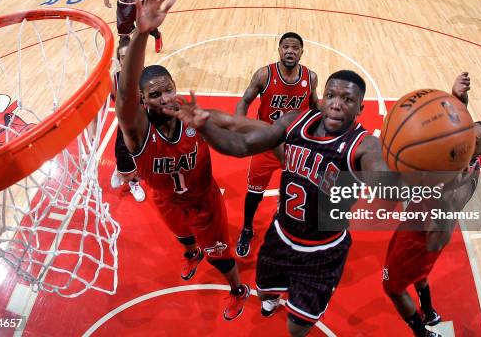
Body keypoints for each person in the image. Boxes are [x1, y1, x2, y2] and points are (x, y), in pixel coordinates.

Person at [169, 68, 407, 337]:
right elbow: (241, 145)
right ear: (321, 99)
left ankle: (310, 301)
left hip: (322, 250)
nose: (336, 104)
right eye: (331, 95)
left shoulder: (364, 146)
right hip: (280, 235)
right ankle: (271, 300)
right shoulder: (295, 122)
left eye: (347, 100)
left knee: (296, 329)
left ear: (361, 108)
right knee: (265, 290)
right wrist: (205, 127)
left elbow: (388, 187)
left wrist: (406, 168)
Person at [115, 0, 249, 321]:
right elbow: (126, 91)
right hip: (166, 200)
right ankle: (191, 253)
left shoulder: (193, 115)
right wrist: (142, 33)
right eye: (155, 95)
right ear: (143, 101)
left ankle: (237, 288)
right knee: (184, 238)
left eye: (168, 90)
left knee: (220, 255)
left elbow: (235, 132)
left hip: (203, 200)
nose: (165, 99)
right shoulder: (136, 129)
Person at [382, 73, 481, 337]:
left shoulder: (466, 178)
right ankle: (430, 311)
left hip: (422, 238)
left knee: (392, 288)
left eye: (473, 140)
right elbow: (455, 132)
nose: (465, 139)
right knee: (419, 276)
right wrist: (458, 100)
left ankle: (422, 334)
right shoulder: (460, 152)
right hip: (417, 225)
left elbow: (448, 192)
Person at [233, 32, 319, 257]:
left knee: (301, 191)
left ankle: (297, 231)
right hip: (267, 144)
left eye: (295, 48)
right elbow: (244, 101)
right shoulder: (264, 74)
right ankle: (247, 228)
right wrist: (239, 124)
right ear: (279, 50)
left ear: (302, 52)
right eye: (286, 47)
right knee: (254, 193)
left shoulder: (310, 78)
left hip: (295, 146)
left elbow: (315, 106)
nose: (290, 51)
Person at [109, 44, 146, 202]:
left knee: (143, 158)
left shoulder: (146, 75)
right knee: (124, 154)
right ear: (120, 61)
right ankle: (130, 180)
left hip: (145, 124)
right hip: (126, 126)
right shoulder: (115, 79)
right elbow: (113, 100)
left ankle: (129, 175)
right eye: (123, 57)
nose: (127, 59)